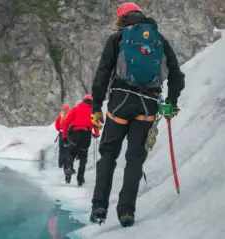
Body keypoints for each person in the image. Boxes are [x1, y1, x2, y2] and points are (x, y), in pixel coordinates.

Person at [89, 2, 185, 227]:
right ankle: (126, 212)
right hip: (148, 105)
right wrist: (171, 102)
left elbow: (103, 73)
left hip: (120, 101)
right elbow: (176, 76)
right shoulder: (159, 40)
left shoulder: (118, 38)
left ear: (121, 18)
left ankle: (100, 207)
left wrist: (95, 107)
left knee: (109, 154)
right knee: (135, 159)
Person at [62, 94, 100, 186]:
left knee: (71, 153)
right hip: (86, 135)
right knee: (83, 158)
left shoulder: (75, 109)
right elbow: (96, 124)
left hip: (75, 134)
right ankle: (80, 179)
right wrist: (96, 134)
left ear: (83, 100)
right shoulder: (94, 111)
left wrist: (64, 137)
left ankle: (69, 169)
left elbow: (66, 123)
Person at [54, 104, 70, 168]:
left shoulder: (60, 117)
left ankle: (60, 164)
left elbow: (57, 127)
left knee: (61, 149)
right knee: (68, 149)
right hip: (68, 134)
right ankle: (67, 164)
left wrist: (60, 129)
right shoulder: (70, 116)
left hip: (61, 134)